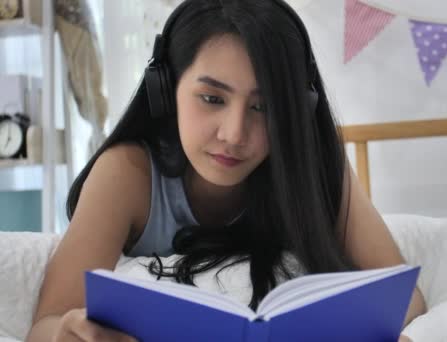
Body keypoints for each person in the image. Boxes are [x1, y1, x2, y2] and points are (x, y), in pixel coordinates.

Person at [26, 0, 426, 341]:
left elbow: (407, 299)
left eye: (263, 107)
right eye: (211, 98)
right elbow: (45, 324)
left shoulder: (317, 170)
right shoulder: (127, 174)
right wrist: (71, 331)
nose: (234, 134)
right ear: (164, 90)